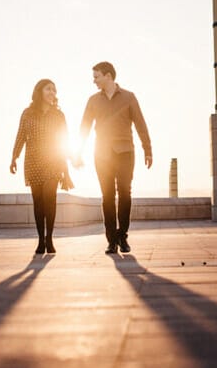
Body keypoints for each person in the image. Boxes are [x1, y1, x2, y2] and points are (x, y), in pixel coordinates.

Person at [79, 61, 152, 254]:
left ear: (108, 76)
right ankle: (111, 240)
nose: (94, 81)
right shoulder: (93, 100)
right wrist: (77, 151)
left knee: (125, 193)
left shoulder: (129, 97)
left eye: (96, 76)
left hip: (125, 152)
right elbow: (84, 127)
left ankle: (122, 236)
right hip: (102, 154)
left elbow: (140, 124)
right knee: (108, 196)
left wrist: (147, 149)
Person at [10, 78, 72, 255]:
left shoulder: (59, 115)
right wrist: (14, 157)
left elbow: (64, 140)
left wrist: (67, 167)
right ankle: (40, 240)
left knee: (49, 198)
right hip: (33, 161)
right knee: (38, 202)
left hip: (53, 160)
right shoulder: (27, 113)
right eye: (48, 89)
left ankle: (49, 238)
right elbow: (21, 135)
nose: (52, 92)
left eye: (54, 90)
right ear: (39, 92)